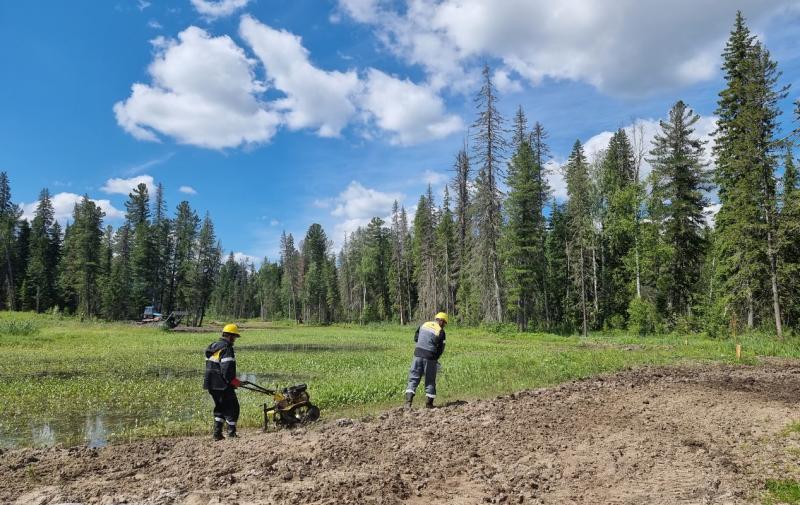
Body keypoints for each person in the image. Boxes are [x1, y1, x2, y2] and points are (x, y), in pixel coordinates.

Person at [203, 323, 243, 440]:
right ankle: (231, 433)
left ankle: (217, 434)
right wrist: (235, 382)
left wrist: (234, 381)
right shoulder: (227, 349)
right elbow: (227, 370)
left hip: (211, 384)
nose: (235, 340)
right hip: (222, 384)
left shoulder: (213, 346)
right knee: (233, 407)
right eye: (234, 337)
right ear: (230, 336)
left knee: (220, 408)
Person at [405, 312, 448, 409]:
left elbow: (416, 338)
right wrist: (435, 358)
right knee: (430, 380)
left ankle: (408, 402)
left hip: (417, 354)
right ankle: (429, 404)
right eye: (444, 323)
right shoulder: (440, 331)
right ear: (441, 321)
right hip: (430, 357)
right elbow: (441, 348)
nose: (444, 325)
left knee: (413, 378)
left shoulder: (424, 325)